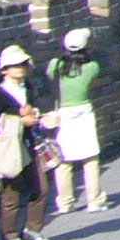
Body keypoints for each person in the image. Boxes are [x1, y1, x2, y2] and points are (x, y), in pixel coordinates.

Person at [0, 45, 51, 240]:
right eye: (15, 65)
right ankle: (10, 235)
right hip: (8, 148)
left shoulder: (27, 88)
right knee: (11, 195)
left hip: (28, 144)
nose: (20, 68)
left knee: (40, 188)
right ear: (4, 70)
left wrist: (36, 114)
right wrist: (20, 119)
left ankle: (32, 228)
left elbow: (32, 110)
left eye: (23, 64)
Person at [47, 28, 108, 214]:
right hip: (84, 112)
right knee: (90, 158)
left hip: (63, 114)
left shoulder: (55, 65)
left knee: (63, 160)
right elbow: (92, 83)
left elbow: (50, 76)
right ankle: (94, 200)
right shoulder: (92, 67)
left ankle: (65, 203)